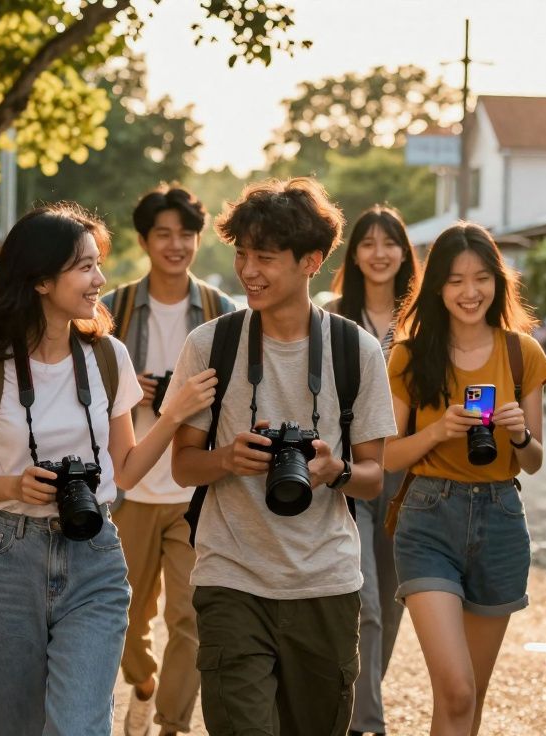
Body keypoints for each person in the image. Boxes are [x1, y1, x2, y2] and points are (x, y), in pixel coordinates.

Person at [0, 203, 218, 736]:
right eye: (84, 267)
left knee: (79, 728)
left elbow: (126, 471)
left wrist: (174, 412)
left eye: (97, 265)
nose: (100, 280)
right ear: (41, 279)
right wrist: (13, 484)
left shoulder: (107, 357)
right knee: (13, 727)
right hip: (5, 558)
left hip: (95, 559)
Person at [168, 178, 397, 736]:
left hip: (325, 584)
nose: (248, 271)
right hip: (231, 578)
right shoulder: (210, 344)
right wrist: (227, 459)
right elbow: (182, 466)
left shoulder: (354, 351)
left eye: (265, 257)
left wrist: (333, 469)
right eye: (242, 254)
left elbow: (371, 478)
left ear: (311, 261)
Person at [384, 222, 546, 736]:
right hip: (428, 519)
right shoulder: (410, 355)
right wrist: (438, 430)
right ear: (437, 286)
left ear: (498, 283)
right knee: (456, 688)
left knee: (466, 702)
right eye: (456, 280)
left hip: (501, 520)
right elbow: (388, 455)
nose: (470, 292)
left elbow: (535, 462)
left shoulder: (523, 353)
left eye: (481, 278)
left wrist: (520, 435)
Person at [101, 185, 236, 736]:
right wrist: (132, 388)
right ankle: (144, 682)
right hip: (129, 486)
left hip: (194, 492)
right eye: (164, 234)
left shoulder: (221, 312)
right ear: (144, 240)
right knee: (127, 618)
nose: (175, 244)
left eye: (185, 234)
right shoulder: (112, 308)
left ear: (198, 240)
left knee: (190, 618)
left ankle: (172, 724)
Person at [325, 205, 421, 736]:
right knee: (365, 608)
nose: (380, 253)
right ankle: (368, 724)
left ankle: (360, 702)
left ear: (405, 252)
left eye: (390, 243)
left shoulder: (425, 320)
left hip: (408, 477)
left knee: (392, 599)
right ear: (354, 254)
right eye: (368, 243)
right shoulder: (334, 317)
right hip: (354, 474)